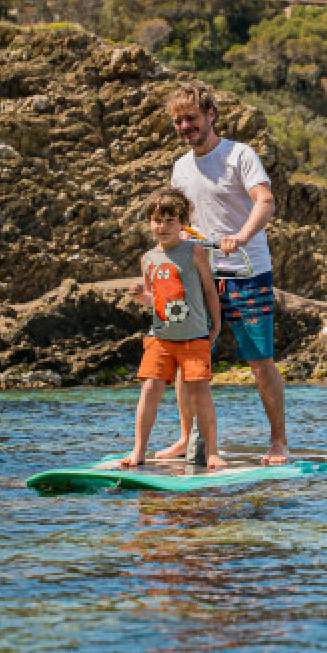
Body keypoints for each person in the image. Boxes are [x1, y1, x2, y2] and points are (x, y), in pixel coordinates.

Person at [161, 81, 290, 466]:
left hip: (248, 272)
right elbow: (181, 217)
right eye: (179, 121)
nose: (186, 127)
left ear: (210, 116)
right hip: (201, 275)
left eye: (192, 118)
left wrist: (242, 235)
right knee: (190, 360)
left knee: (259, 360)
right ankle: (185, 437)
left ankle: (278, 442)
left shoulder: (240, 155)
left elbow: (264, 201)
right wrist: (179, 234)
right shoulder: (180, 167)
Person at [123, 187, 225, 470]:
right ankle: (138, 450)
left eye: (170, 221)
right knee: (150, 389)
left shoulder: (194, 251)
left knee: (199, 392)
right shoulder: (148, 258)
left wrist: (215, 325)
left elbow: (209, 291)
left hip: (194, 338)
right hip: (160, 339)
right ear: (150, 223)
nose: (163, 226)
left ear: (183, 224)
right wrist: (139, 296)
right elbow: (156, 299)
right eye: (157, 220)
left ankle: (213, 452)